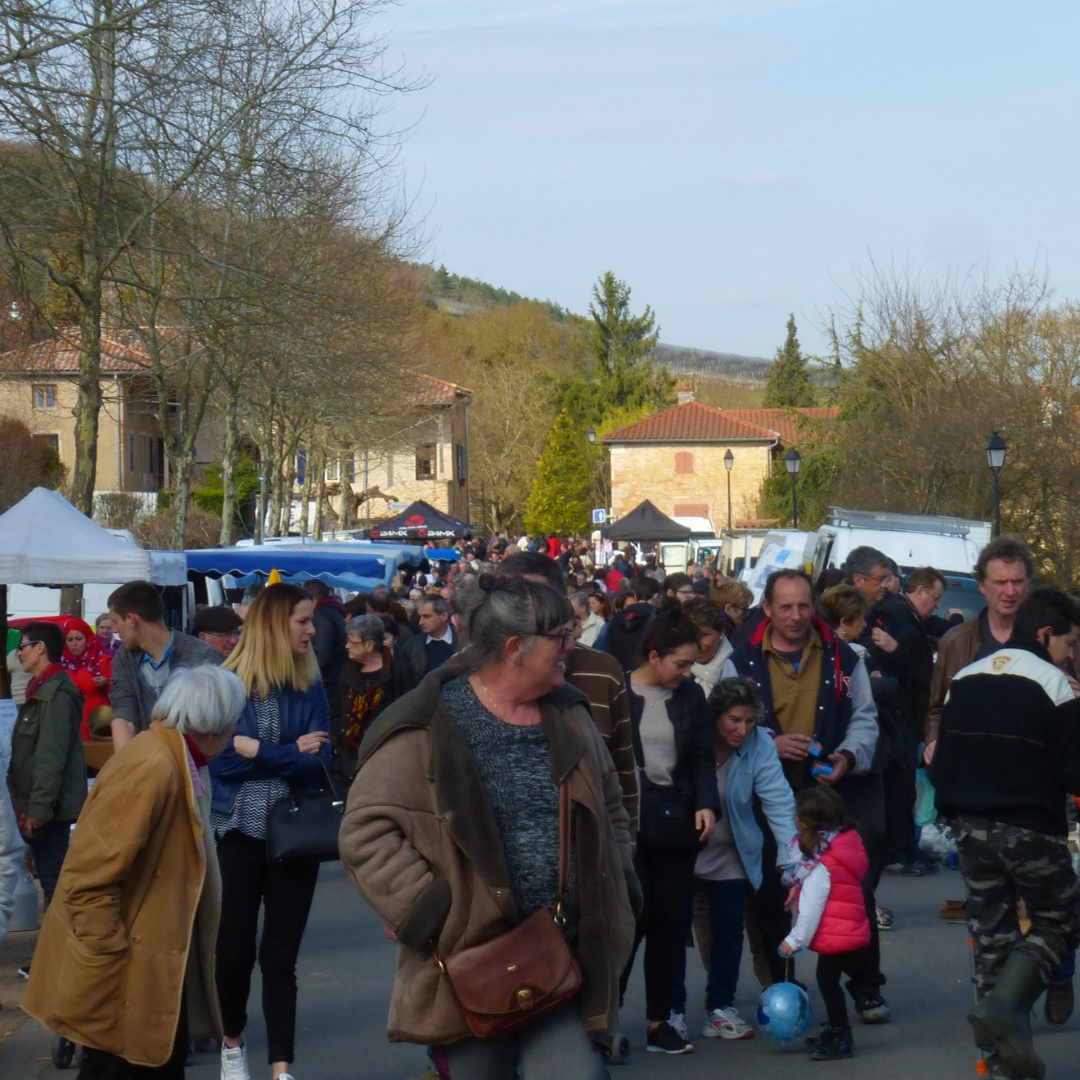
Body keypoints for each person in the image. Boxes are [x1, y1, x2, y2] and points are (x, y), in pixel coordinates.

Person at [340, 578, 637, 1077]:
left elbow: (611, 805)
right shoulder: (427, 722)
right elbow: (364, 831)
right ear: (515, 647)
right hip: (466, 963)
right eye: (562, 635)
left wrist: (620, 875)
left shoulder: (569, 714)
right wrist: (429, 910)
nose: (573, 644)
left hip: (562, 958)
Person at [22, 665, 246, 1079]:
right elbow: (88, 877)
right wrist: (108, 956)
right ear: (213, 723)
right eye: (234, 720)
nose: (236, 730)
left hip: (148, 966)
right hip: (125, 971)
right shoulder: (153, 766)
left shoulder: (180, 760)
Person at [929, 588, 1080, 1080]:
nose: (1072, 654)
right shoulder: (1055, 684)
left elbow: (940, 762)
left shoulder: (964, 680)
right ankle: (1007, 1008)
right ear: (1044, 634)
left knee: (991, 941)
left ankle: (1001, 1065)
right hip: (1031, 825)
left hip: (970, 829)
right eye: (1069, 643)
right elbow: (1074, 771)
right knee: (1061, 919)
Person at [722, 569, 886, 1020]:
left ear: (815, 606)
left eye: (804, 606)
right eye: (785, 607)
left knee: (850, 891)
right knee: (774, 890)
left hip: (830, 791)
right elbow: (728, 723)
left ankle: (867, 986)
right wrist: (767, 741)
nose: (796, 616)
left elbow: (865, 718)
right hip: (768, 789)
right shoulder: (740, 660)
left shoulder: (844, 657)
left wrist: (849, 757)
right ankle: (784, 993)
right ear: (768, 609)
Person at [210, 583, 332, 1080]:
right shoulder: (226, 682)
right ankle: (232, 1041)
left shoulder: (311, 685)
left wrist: (257, 750)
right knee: (233, 951)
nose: (312, 629)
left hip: (295, 834)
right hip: (237, 829)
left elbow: (320, 760)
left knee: (280, 955)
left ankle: (282, 1067)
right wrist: (288, 755)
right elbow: (217, 758)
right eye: (302, 620)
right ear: (273, 626)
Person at [671, 677, 796, 1041]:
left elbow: (779, 802)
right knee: (676, 932)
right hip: (685, 850)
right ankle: (671, 1011)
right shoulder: (692, 738)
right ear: (715, 716)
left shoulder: (760, 745)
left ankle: (720, 1009)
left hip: (733, 851)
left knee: (730, 930)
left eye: (750, 721)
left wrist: (791, 864)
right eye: (734, 720)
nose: (743, 730)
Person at [624, 612, 719, 1054]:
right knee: (628, 923)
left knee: (669, 922)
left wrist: (706, 803)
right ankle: (601, 1016)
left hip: (675, 818)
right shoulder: (618, 692)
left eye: (693, 663)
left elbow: (701, 754)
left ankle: (660, 1018)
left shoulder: (690, 697)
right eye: (681, 663)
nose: (688, 672)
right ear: (654, 655)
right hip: (627, 825)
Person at [780, 785, 873, 1062]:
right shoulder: (844, 844)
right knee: (831, 979)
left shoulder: (818, 861)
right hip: (848, 925)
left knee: (827, 982)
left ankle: (840, 1034)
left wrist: (794, 941)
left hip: (836, 929)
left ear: (805, 823)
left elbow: (811, 909)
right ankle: (837, 1029)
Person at [924, 536, 1034, 762]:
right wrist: (933, 740)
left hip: (1026, 773)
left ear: (1028, 584)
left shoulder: (1044, 640)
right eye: (1001, 582)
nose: (1010, 591)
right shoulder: (955, 641)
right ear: (982, 586)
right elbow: (936, 709)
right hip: (967, 768)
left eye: (1018, 581)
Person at [6, 621, 86, 911]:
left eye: (22, 647)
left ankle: (59, 948)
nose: (19, 655)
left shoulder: (54, 694)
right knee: (52, 880)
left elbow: (50, 757)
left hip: (50, 808)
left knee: (56, 883)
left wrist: (38, 809)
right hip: (40, 803)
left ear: (40, 648)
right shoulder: (40, 688)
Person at [108, 580, 221, 751]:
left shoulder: (202, 657)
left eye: (115, 621)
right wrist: (124, 766)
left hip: (194, 764)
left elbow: (213, 724)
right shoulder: (124, 656)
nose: (114, 630)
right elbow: (123, 710)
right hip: (146, 763)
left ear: (131, 619)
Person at [330, 614, 396, 783]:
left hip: (384, 759)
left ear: (369, 645)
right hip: (347, 760)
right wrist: (337, 742)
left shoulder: (398, 672)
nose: (346, 646)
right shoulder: (347, 671)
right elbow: (336, 709)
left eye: (351, 642)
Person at [395, 596, 461, 694]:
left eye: (427, 617)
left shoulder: (464, 643)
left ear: (443, 616)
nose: (420, 622)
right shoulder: (411, 646)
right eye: (420, 617)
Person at [61, 617, 113, 739]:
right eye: (69, 639)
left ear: (88, 639)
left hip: (97, 723)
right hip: (69, 723)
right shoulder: (62, 664)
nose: (74, 643)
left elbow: (120, 689)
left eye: (78, 639)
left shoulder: (101, 661)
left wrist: (106, 682)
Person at [303, 580, 347, 703]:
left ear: (311, 599)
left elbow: (322, 654)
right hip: (334, 679)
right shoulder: (334, 611)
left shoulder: (321, 616)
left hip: (327, 683)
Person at [683, 597, 731, 696]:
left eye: (704, 635)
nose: (697, 644)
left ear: (720, 631)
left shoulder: (735, 669)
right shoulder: (673, 670)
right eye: (690, 634)